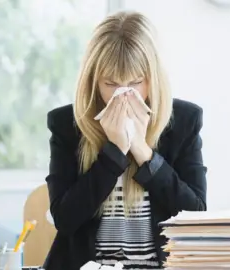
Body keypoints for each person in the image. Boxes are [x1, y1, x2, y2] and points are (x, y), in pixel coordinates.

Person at [44, 11, 207, 270]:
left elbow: (195, 215)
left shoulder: (184, 121)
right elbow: (65, 219)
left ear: (152, 78)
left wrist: (142, 151)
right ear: (93, 81)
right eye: (111, 84)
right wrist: (114, 153)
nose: (123, 95)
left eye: (135, 83)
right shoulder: (66, 124)